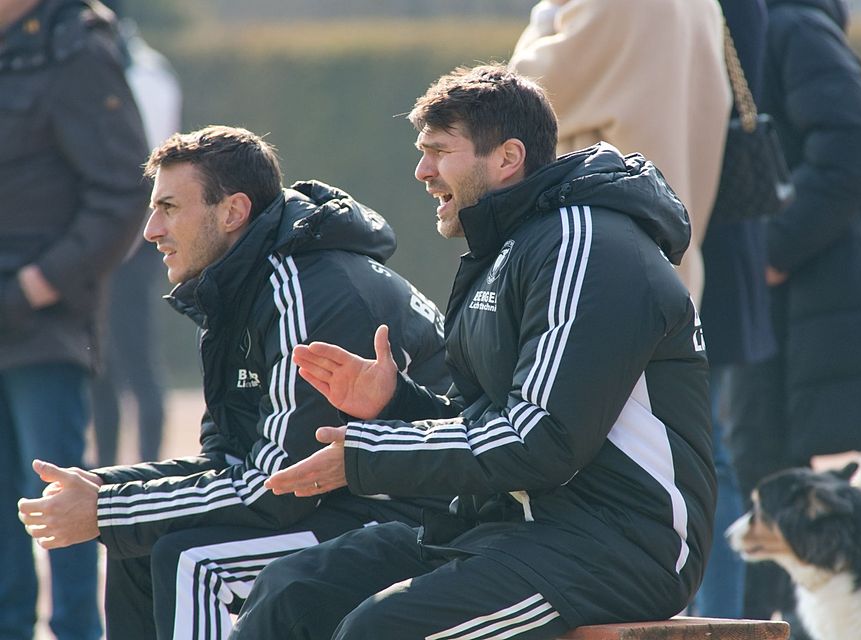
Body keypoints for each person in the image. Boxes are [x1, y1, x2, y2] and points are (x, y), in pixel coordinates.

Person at [229, 64, 714, 640]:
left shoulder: (588, 247)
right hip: (504, 525)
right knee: (293, 590)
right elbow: (482, 428)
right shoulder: (509, 245)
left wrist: (367, 454)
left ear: (507, 158)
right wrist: (395, 403)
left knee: (383, 631)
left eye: (439, 151)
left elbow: (541, 440)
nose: (422, 171)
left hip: (619, 545)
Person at [17, 125, 451, 640]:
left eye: (170, 208)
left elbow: (277, 490)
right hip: (336, 499)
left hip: (416, 518)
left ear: (232, 212)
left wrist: (109, 508)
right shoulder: (239, 290)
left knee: (193, 561)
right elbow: (226, 458)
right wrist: (110, 488)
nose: (151, 230)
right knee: (137, 545)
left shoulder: (306, 295)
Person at [725, 0, 861, 632]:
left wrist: (772, 252)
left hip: (792, 302)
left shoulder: (792, 26)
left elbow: (857, 146)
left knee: (762, 476)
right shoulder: (737, 28)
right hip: (763, 299)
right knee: (747, 467)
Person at [0, 0, 149, 638]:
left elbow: (124, 188)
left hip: (43, 326)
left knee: (64, 508)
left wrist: (39, 283)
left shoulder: (77, 50)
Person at [509, 0, 731, 306]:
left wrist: (547, 14)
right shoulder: (703, 5)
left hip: (596, 260)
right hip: (674, 256)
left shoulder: (609, 6)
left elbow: (523, 95)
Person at [692, 0, 776, 619]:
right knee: (709, 450)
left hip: (703, 246)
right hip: (720, 246)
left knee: (706, 452)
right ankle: (719, 616)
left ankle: (718, 619)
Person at [91, 17, 183, 466]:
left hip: (126, 236)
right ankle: (114, 471)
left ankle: (142, 468)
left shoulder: (133, 72)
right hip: (122, 234)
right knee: (110, 365)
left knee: (127, 363)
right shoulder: (151, 69)